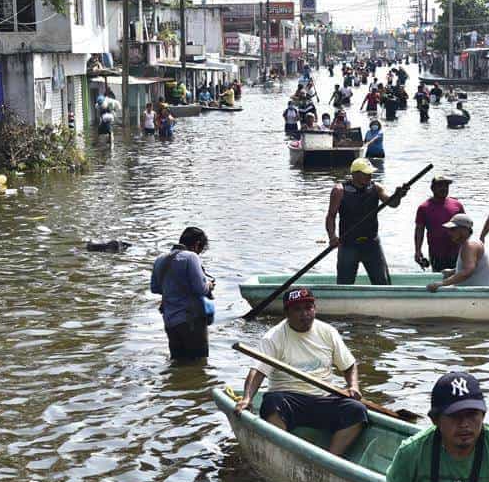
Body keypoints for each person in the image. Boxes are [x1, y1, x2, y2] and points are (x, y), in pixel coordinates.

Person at [233, 288, 368, 456]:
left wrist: (353, 386)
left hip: (322, 398)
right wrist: (247, 398)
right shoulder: (274, 336)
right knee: (271, 403)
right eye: (297, 309)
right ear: (287, 313)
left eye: (308, 308)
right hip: (289, 399)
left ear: (315, 309)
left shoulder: (327, 332)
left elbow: (349, 365)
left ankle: (330, 460)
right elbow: (258, 371)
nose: (305, 314)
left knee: (357, 410)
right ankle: (285, 454)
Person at [326, 158, 408, 285]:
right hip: (348, 244)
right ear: (355, 174)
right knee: (344, 284)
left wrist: (398, 195)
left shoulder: (376, 187)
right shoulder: (339, 190)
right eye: (366, 173)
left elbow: (392, 203)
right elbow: (331, 216)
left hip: (372, 244)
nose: (370, 176)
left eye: (371, 173)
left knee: (383, 283)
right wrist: (332, 237)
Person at [150, 227, 214, 361]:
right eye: (200, 249)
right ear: (197, 245)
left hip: (170, 321)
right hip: (191, 321)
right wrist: (209, 285)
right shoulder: (191, 257)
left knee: (178, 362)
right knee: (198, 364)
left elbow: (155, 288)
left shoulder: (160, 259)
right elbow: (201, 289)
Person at [426, 213, 489, 291]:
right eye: (449, 229)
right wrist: (453, 271)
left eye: (453, 229)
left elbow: (467, 271)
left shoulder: (470, 245)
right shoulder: (469, 242)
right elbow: (472, 266)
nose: (449, 233)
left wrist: (441, 284)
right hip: (472, 292)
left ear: (464, 230)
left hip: (477, 294)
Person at [414, 176, 465, 272]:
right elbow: (419, 230)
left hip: (457, 250)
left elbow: (465, 227)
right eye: (440, 186)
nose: (444, 188)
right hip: (436, 252)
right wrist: (418, 250)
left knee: (459, 276)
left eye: (446, 186)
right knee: (439, 278)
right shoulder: (424, 207)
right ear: (432, 188)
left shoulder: (457, 204)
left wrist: (467, 247)